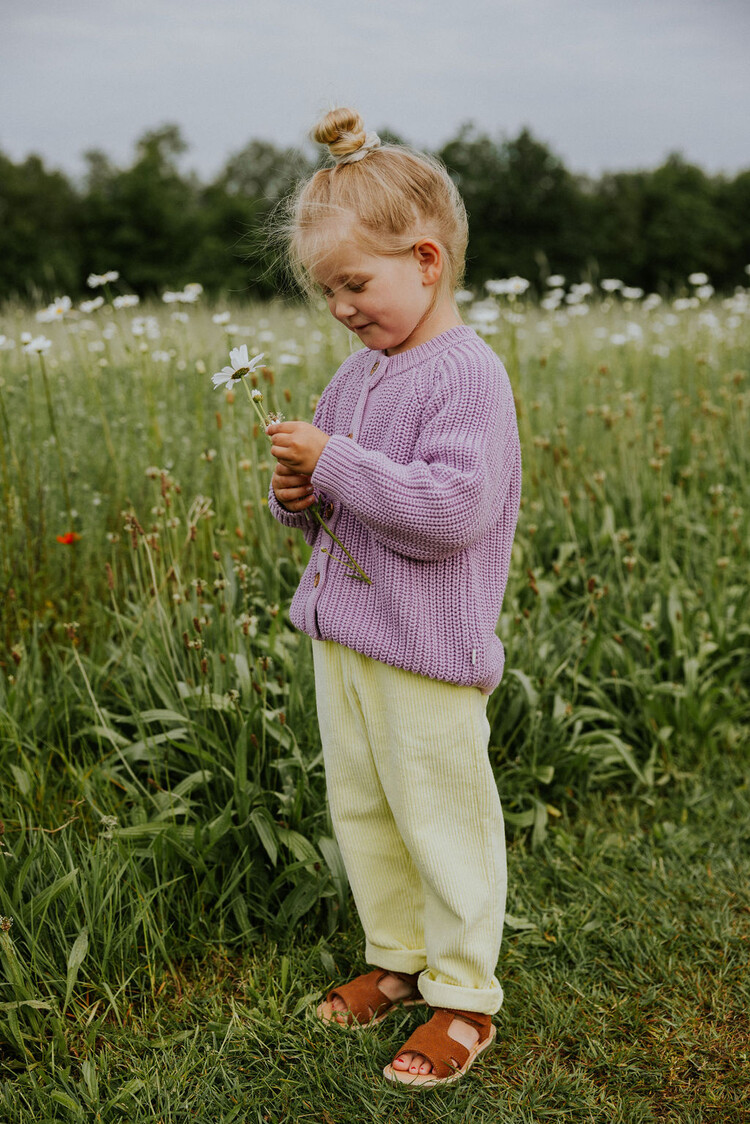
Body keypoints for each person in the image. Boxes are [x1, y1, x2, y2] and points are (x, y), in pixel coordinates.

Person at [265, 107, 521, 1089]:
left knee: (441, 814)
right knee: (366, 807)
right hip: (348, 640)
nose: (340, 306)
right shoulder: (357, 371)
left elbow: (448, 511)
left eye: (354, 284)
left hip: (426, 648)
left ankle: (463, 992)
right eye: (327, 289)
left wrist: (335, 461)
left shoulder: (467, 376)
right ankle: (398, 958)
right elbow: (331, 510)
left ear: (426, 260)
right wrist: (296, 495)